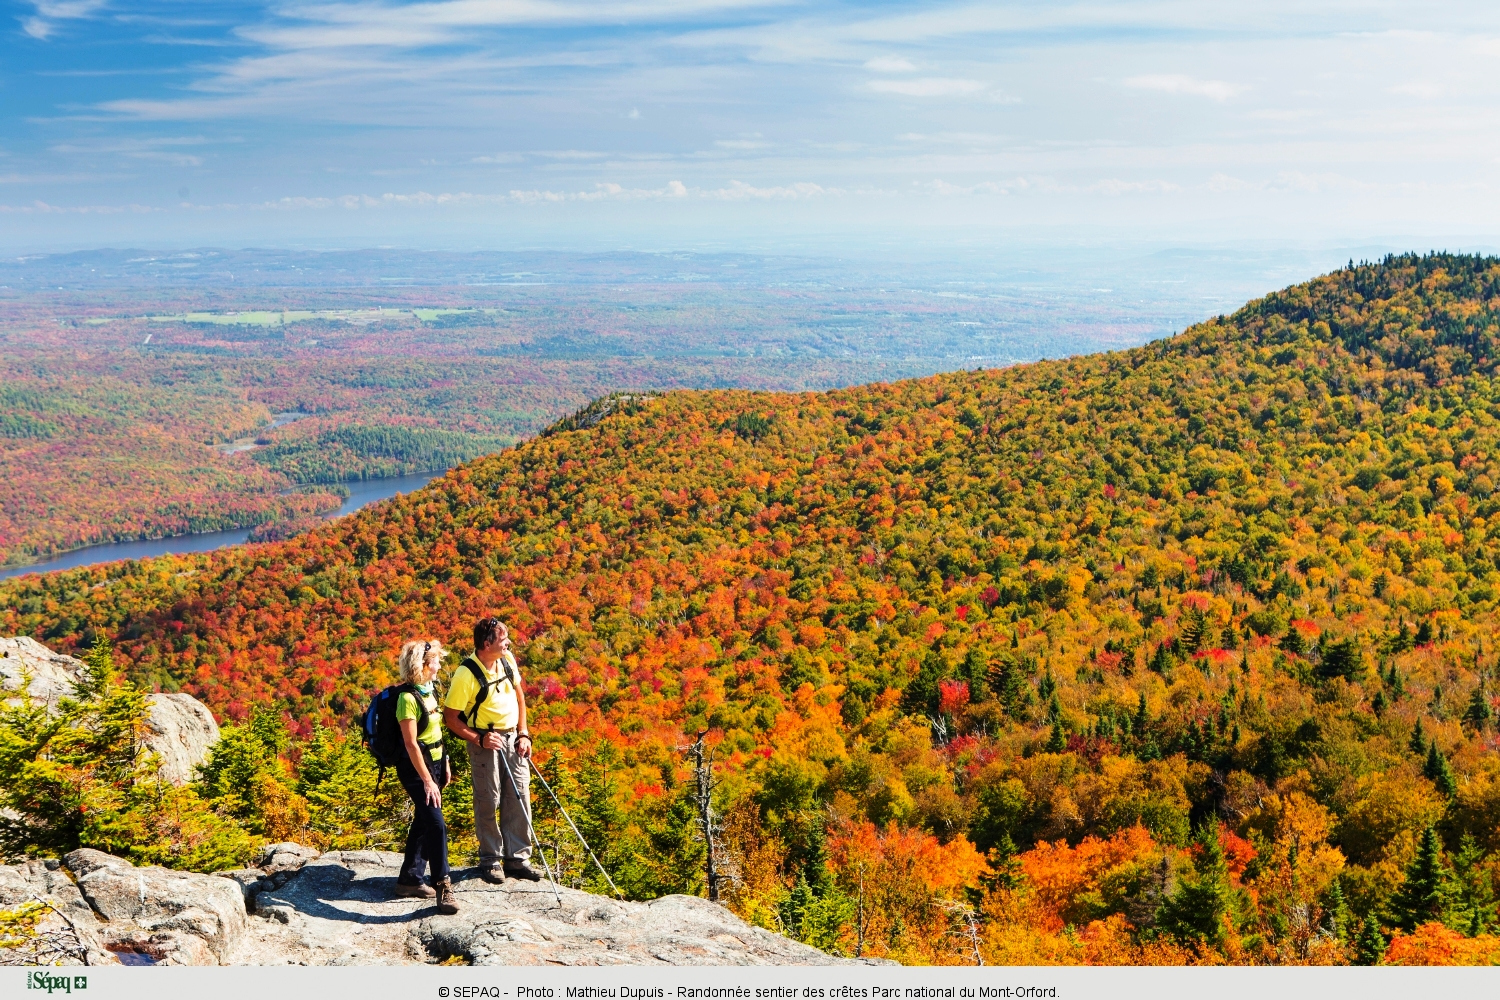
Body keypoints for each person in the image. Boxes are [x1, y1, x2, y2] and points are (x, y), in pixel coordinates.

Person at [443, 616, 540, 883]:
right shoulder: (466, 674)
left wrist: (524, 733)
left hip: (513, 738)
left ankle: (517, 859)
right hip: (485, 744)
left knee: (519, 796)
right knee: (489, 799)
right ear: (487, 644)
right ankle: (491, 859)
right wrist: (479, 739)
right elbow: (451, 718)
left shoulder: (507, 661)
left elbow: (520, 697)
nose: (508, 642)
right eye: (503, 639)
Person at [392, 639, 459, 914]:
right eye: (436, 661)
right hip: (415, 768)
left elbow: (435, 733)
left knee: (423, 820)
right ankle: (443, 885)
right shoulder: (407, 699)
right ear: (422, 665)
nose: (439, 664)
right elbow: (410, 744)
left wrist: (444, 763)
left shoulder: (429, 692)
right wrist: (428, 781)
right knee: (436, 824)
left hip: (433, 763)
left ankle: (410, 879)